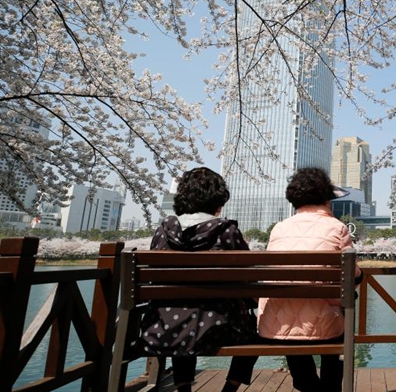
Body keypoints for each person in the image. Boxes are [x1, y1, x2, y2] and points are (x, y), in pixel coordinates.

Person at [139, 167, 257, 392]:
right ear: (218, 199)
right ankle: (229, 388)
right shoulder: (227, 231)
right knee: (255, 326)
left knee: (180, 313)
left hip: (164, 327)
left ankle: (184, 389)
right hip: (220, 327)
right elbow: (248, 277)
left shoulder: (164, 231)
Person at [257, 167, 361, 392]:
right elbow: (352, 274)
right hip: (326, 327)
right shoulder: (337, 227)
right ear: (326, 197)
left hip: (277, 325)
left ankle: (307, 384)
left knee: (290, 310)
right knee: (344, 300)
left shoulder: (279, 228)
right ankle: (330, 386)